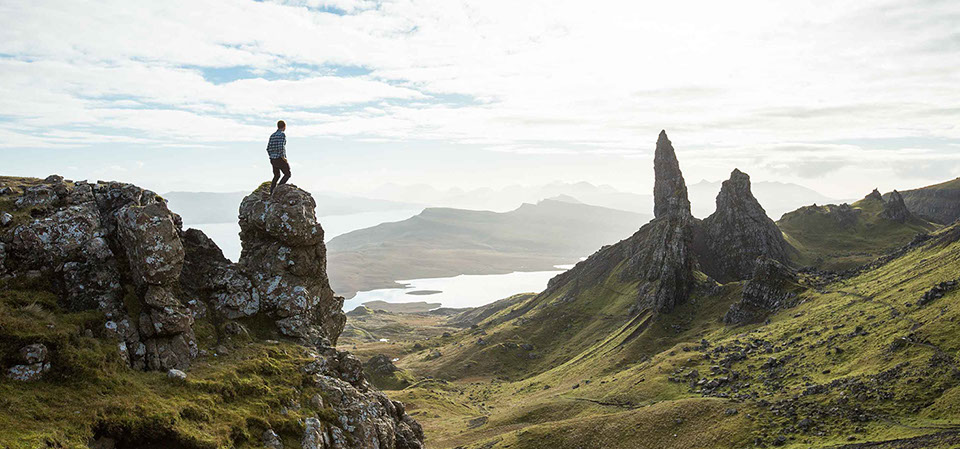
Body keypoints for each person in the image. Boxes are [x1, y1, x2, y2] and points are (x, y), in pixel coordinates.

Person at [266, 120, 291, 194]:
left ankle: (271, 191)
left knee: (276, 175)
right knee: (287, 174)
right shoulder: (282, 135)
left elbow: (268, 148)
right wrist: (284, 158)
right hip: (279, 158)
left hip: (273, 159)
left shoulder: (272, 135)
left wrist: (271, 156)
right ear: (284, 126)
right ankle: (278, 189)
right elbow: (281, 147)